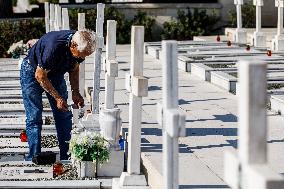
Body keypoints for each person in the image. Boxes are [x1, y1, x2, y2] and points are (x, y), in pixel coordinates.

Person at [20, 29, 96, 160]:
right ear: (73, 46)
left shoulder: (79, 44)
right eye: (82, 55)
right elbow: (40, 76)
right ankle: (34, 155)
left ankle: (66, 154)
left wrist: (76, 92)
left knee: (64, 114)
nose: (82, 58)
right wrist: (57, 97)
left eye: (85, 56)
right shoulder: (53, 47)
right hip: (32, 71)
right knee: (34, 115)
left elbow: (74, 67)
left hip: (55, 73)